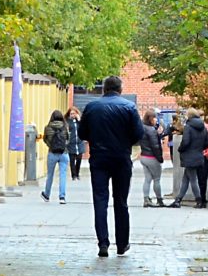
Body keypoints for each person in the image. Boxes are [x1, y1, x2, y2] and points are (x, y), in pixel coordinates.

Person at [77, 76, 143, 256]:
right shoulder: (129, 107)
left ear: (103, 89)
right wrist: (124, 142)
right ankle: (122, 244)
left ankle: (103, 243)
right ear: (120, 89)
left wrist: (95, 139)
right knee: (121, 201)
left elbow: (82, 133)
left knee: (100, 200)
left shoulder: (92, 107)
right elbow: (138, 134)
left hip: (99, 158)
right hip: (121, 158)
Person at [174, 110, 208, 208]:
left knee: (193, 179)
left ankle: (199, 201)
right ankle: (178, 200)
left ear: (189, 116)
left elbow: (185, 142)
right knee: (186, 178)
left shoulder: (188, 127)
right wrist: (199, 149)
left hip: (189, 156)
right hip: (198, 155)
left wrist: (180, 149)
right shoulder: (203, 127)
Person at [40, 108, 72, 203]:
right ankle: (62, 197)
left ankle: (46, 195)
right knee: (62, 175)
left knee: (50, 175)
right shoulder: (65, 126)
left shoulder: (48, 127)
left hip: (52, 153)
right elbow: (68, 139)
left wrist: (50, 145)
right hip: (64, 153)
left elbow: (45, 139)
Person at [138, 107, 167, 207]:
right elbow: (155, 146)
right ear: (150, 119)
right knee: (157, 179)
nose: (156, 120)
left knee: (147, 179)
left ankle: (146, 199)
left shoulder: (142, 127)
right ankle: (159, 199)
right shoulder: (151, 130)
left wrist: (159, 134)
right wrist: (160, 158)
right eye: (154, 118)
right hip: (152, 157)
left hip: (143, 156)